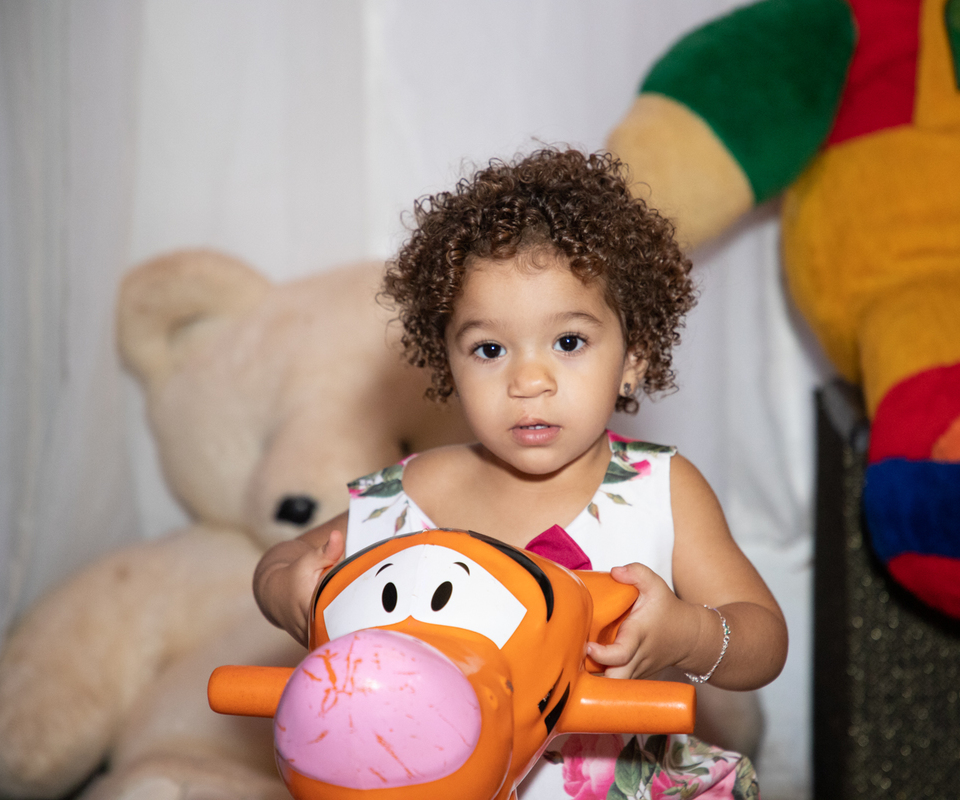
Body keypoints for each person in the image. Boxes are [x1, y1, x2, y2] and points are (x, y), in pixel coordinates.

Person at [253, 147, 787, 798]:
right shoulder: (412, 493)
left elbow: (764, 640)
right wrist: (286, 589)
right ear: (449, 365)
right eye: (489, 349)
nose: (528, 381)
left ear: (633, 358)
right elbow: (286, 557)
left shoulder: (661, 489)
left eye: (568, 342)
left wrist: (690, 633)